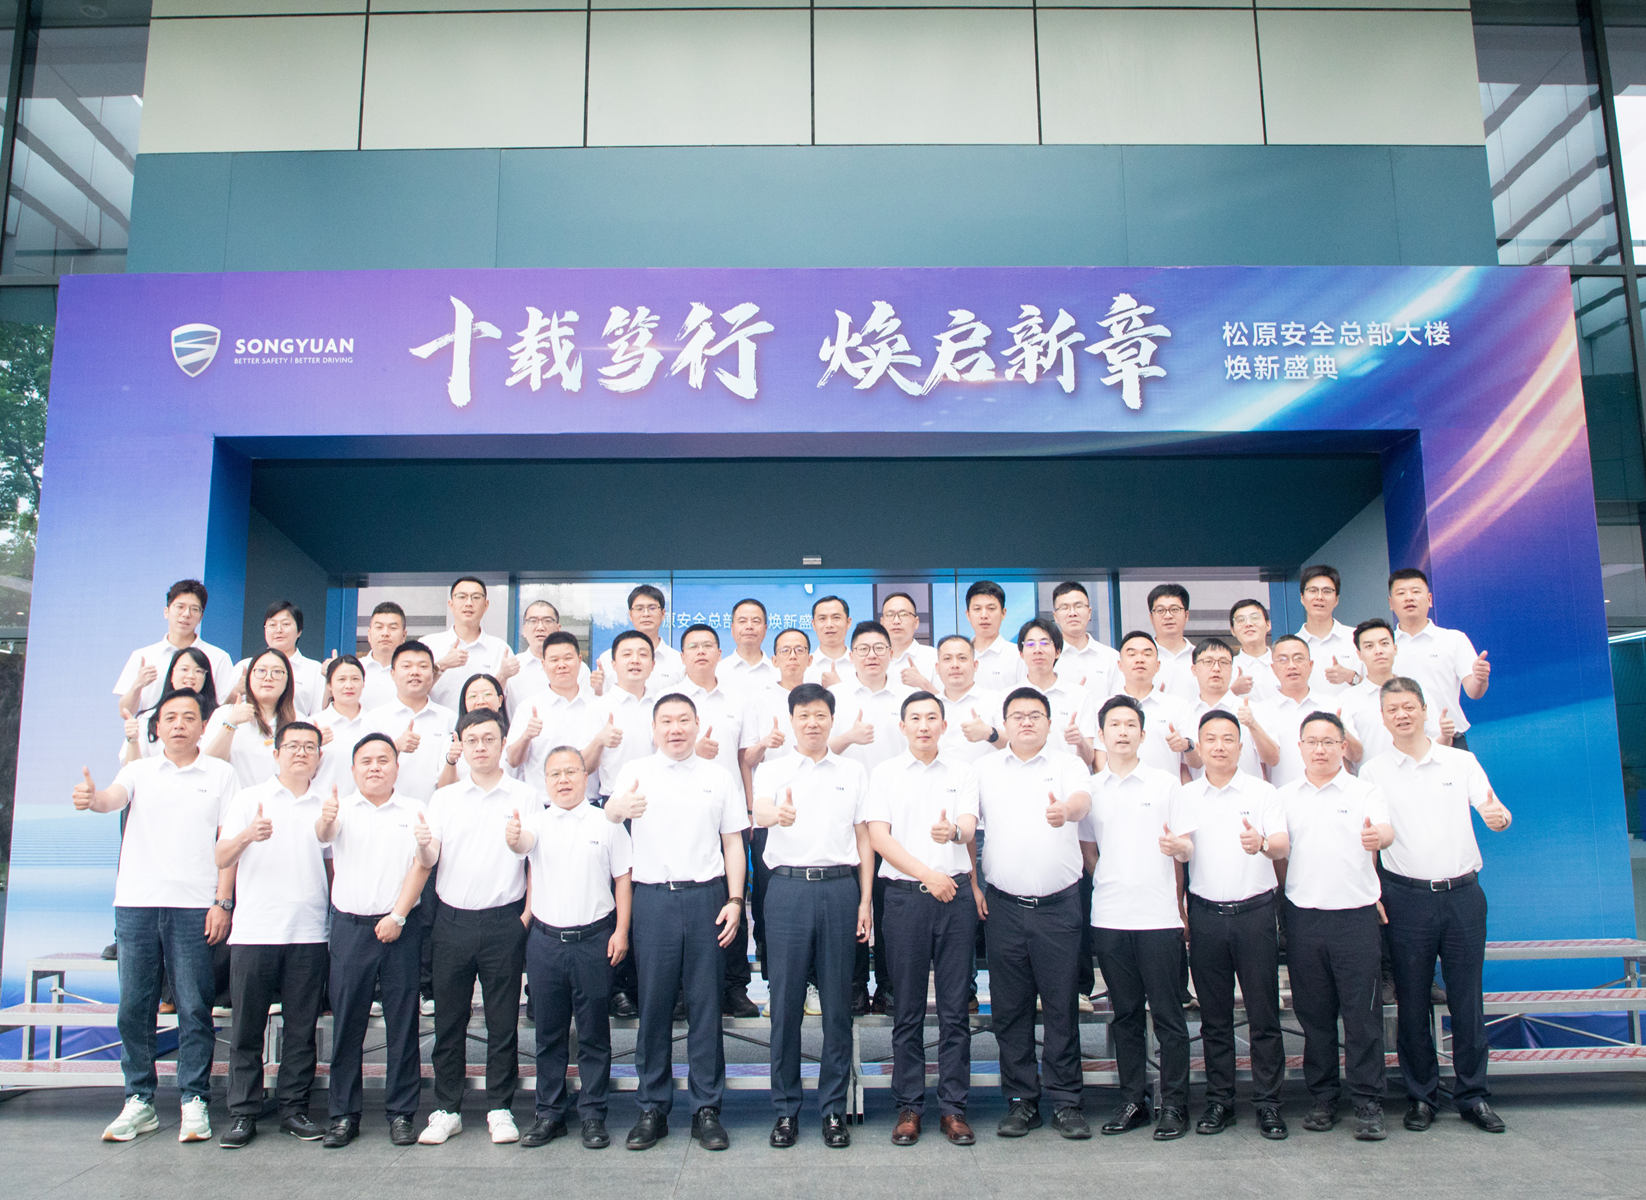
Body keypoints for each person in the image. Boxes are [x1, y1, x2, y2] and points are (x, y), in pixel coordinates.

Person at [73, 688, 236, 1144]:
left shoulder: (221, 774)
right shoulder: (139, 770)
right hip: (137, 904)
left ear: (203, 726)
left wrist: (222, 902)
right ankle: (138, 1099)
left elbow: (228, 843)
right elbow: (111, 798)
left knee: (194, 1006)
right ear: (157, 727)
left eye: (189, 717)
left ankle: (194, 1099)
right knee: (135, 1007)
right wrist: (92, 798)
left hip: (194, 906)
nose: (179, 724)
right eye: (170, 717)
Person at [1359, 677, 1512, 1135]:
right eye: (1392, 709)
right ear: (1383, 718)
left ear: (1424, 709)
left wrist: (1499, 819)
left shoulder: (1460, 762)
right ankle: (1421, 1096)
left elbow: (1494, 809)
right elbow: (1372, 837)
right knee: (1412, 1003)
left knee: (1467, 1000)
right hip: (1405, 898)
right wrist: (1373, 890)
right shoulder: (1373, 772)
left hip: (1463, 895)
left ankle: (1473, 1095)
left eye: (1409, 706)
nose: (1402, 715)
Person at [603, 694, 749, 1153]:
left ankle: (707, 1109)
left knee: (706, 1007)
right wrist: (619, 808)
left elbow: (733, 843)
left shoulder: (717, 776)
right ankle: (652, 1108)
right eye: (666, 721)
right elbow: (610, 818)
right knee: (654, 1006)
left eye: (684, 720)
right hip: (652, 899)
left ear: (697, 724)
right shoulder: (636, 772)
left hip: (707, 898)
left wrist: (736, 899)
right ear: (654, 728)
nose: (675, 728)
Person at [751, 682, 872, 1149]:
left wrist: (865, 900)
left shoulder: (852, 772)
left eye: (820, 715)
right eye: (803, 716)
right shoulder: (772, 770)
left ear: (831, 719)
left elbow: (863, 837)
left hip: (840, 890)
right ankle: (785, 1111)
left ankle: (833, 1110)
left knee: (837, 1007)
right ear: (792, 720)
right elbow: (760, 810)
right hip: (787, 891)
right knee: (785, 1007)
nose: (812, 723)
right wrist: (775, 815)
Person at [974, 686, 1093, 1139]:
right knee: (1010, 1009)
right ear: (1005, 724)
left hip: (1059, 906)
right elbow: (968, 827)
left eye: (1035, 715)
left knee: (1061, 1005)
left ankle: (1066, 1101)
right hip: (1004, 906)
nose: (1026, 722)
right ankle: (1021, 1100)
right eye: (1018, 716)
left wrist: (1066, 810)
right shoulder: (985, 770)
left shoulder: (1067, 764)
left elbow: (1082, 801)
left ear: (1048, 722)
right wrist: (973, 883)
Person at [866, 691, 980, 1148]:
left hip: (955, 898)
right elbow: (879, 838)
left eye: (932, 717)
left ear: (944, 726)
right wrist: (927, 875)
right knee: (907, 1009)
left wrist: (954, 832)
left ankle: (954, 1108)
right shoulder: (885, 773)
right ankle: (909, 1106)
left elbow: (969, 826)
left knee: (955, 1010)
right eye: (915, 718)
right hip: (905, 898)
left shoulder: (962, 771)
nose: (924, 725)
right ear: (903, 726)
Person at [416, 707, 534, 1148]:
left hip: (505, 920)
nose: (480, 747)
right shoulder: (445, 798)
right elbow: (430, 858)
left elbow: (534, 856)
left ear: (502, 743)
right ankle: (447, 1109)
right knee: (450, 1021)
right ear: (460, 746)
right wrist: (422, 848)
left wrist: (525, 916)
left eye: (488, 739)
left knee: (503, 1022)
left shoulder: (523, 795)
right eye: (472, 740)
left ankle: (500, 1108)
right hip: (452, 921)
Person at [508, 746, 633, 1150]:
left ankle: (593, 1114)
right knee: (549, 1034)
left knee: (594, 1033)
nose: (563, 780)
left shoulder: (606, 822)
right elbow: (522, 844)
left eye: (571, 772)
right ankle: (549, 1114)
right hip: (545, 942)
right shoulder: (537, 823)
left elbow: (623, 879)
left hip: (594, 940)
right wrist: (514, 838)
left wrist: (622, 931)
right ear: (545, 781)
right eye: (555, 774)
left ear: (585, 776)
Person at [1276, 711, 1393, 1141]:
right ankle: (1323, 1098)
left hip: (1355, 918)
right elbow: (1279, 853)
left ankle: (1368, 1102)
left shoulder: (1365, 792)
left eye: (1329, 741)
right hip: (1304, 918)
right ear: (1300, 747)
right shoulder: (1284, 797)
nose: (1320, 749)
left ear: (1343, 747)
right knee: (1315, 1016)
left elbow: (1385, 831)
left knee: (1362, 1017)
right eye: (1312, 741)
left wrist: (1378, 838)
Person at [213, 720, 331, 1147]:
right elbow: (221, 855)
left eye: (309, 747)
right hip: (255, 931)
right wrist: (248, 835)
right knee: (247, 1029)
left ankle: (294, 1110)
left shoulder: (328, 804)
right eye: (292, 746)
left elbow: (334, 867)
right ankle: (243, 1113)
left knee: (301, 1030)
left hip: (309, 933)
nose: (301, 752)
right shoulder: (250, 799)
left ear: (319, 756)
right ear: (276, 753)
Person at [1173, 709, 1288, 1139]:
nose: (1219, 746)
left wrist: (1262, 843)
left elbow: (1281, 845)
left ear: (1241, 746)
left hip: (1255, 914)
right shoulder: (1186, 796)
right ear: (1199, 747)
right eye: (1211, 739)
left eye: (1227, 739)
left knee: (1264, 1015)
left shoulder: (1262, 792)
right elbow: (1181, 856)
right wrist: (1180, 905)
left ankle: (1269, 1104)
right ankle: (1219, 1101)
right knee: (1215, 1018)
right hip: (1206, 915)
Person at [1083, 694, 1194, 1141]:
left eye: (1131, 725)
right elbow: (1089, 851)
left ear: (1143, 735)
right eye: (1115, 725)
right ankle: (1133, 1100)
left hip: (1159, 917)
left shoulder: (1165, 785)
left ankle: (1175, 1103)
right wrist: (1113, 878)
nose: (1123, 732)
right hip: (1110, 916)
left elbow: (1185, 847)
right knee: (1125, 1014)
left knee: (1168, 1015)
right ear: (1102, 734)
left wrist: (1179, 851)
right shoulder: (1090, 789)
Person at [314, 732, 431, 1148]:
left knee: (403, 1023)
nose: (375, 767)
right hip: (350, 929)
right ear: (353, 769)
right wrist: (327, 818)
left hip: (401, 927)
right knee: (348, 1024)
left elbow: (423, 865)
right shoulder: (340, 808)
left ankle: (402, 1114)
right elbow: (323, 834)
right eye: (366, 761)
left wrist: (397, 915)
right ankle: (343, 1115)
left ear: (397, 767)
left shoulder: (415, 809)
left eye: (383, 760)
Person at [675, 622, 761, 1016]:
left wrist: (749, 808)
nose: (701, 652)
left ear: (719, 653)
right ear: (682, 656)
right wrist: (694, 750)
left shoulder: (738, 698)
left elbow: (745, 759)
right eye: (693, 646)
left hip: (729, 813)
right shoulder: (670, 700)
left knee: (733, 894)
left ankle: (734, 986)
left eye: (708, 645)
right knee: (686, 901)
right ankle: (681, 988)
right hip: (683, 814)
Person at [829, 620, 912, 1014]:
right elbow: (816, 749)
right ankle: (856, 984)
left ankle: (890, 986)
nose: (872, 655)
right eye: (863, 648)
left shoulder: (909, 697)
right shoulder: (836, 697)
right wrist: (848, 737)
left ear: (891, 653)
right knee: (854, 904)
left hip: (899, 815)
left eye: (879, 648)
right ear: (852, 655)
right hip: (848, 815)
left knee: (892, 905)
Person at [739, 627, 811, 978]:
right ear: (774, 658)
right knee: (769, 895)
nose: (792, 656)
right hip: (770, 812)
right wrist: (764, 743)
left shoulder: (822, 697)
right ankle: (773, 976)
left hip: (813, 812)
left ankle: (812, 979)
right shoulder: (759, 699)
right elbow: (747, 759)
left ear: (809, 658)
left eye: (799, 650)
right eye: (785, 650)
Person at [1389, 568, 1491, 753]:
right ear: (1391, 603)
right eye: (1401, 593)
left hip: (1451, 739)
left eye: (1415, 591)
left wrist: (1480, 678)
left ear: (1429, 599)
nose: (1409, 598)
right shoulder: (1383, 646)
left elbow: (1474, 692)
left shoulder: (1453, 639)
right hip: (1400, 744)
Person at [111, 578, 234, 725]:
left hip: (201, 737)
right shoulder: (143, 656)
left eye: (194, 609)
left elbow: (225, 710)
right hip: (151, 734)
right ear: (166, 611)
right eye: (180, 607)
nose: (186, 614)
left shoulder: (218, 657)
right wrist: (138, 685)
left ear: (201, 617)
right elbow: (126, 712)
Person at [507, 632, 611, 796]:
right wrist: (526, 736)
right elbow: (513, 761)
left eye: (567, 658)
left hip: (588, 804)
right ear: (544, 664)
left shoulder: (598, 706)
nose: (561, 665)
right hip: (543, 804)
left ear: (579, 660)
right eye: (554, 660)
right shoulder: (528, 708)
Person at [363, 640, 458, 802]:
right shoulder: (374, 719)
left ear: (433, 673)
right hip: (387, 808)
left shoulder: (449, 718)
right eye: (406, 666)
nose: (415, 672)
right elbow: (364, 768)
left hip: (434, 809)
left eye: (423, 666)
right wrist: (395, 747)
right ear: (392, 673)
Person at [1343, 619, 1446, 766]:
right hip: (1371, 778)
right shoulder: (1347, 700)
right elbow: (1350, 755)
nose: (1378, 651)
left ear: (1395, 648)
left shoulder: (1418, 691)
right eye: (1369, 646)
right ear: (1359, 654)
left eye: (1384, 643)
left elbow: (1436, 739)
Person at [1098, 631, 1196, 780]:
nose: (1140, 659)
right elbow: (1099, 759)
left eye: (1147, 654)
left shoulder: (1178, 706)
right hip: (1117, 790)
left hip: (1163, 791)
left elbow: (1197, 762)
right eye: (1132, 654)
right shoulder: (1102, 707)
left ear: (1157, 665)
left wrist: (1186, 746)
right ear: (1120, 665)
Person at [205, 647, 301, 787]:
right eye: (261, 671)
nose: (268, 677)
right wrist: (231, 724)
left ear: (288, 680)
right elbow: (208, 765)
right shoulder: (225, 713)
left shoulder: (299, 721)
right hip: (236, 798)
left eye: (277, 672)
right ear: (249, 677)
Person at [425, 576, 519, 709]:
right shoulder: (429, 644)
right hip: (437, 721)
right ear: (450, 604)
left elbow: (507, 701)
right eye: (462, 597)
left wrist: (502, 676)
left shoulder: (500, 649)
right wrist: (442, 665)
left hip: (483, 722)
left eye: (476, 597)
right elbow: (412, 691)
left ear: (486, 605)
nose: (469, 603)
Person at [1242, 634, 1324, 788]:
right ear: (1273, 668)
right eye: (1283, 660)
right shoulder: (1260, 711)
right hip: (1282, 795)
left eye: (1298, 658)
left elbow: (1351, 757)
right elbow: (1264, 763)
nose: (1292, 666)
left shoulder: (1331, 705)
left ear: (1311, 664)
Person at [1018, 618, 1096, 767]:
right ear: (1021, 653)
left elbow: (1088, 760)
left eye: (1045, 643)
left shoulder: (1079, 696)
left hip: (1067, 777)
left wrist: (1080, 742)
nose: (1037, 650)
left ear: (1058, 652)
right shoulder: (1008, 696)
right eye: (1030, 644)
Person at [120, 647, 218, 763]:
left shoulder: (218, 717)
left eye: (198, 671)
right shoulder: (147, 719)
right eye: (184, 669)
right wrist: (132, 740)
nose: (191, 675)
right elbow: (130, 768)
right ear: (172, 674)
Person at [1187, 638, 1267, 780]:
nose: (1216, 668)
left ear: (1232, 669)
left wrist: (1253, 724)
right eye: (1208, 662)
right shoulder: (1185, 713)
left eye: (1223, 662)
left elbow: (1271, 760)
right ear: (1194, 669)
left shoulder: (1253, 709)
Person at [228, 601, 324, 716]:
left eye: (286, 624)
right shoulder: (245, 666)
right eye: (272, 625)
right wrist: (236, 692)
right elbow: (222, 712)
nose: (279, 630)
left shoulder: (314, 670)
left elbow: (319, 715)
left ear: (299, 631)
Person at [594, 584, 684, 692]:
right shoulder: (608, 659)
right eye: (639, 608)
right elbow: (601, 697)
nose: (646, 614)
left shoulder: (678, 661)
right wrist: (597, 690)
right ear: (630, 615)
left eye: (652, 608)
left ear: (663, 613)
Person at [508, 599, 592, 711]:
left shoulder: (579, 669)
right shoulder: (511, 668)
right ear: (524, 630)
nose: (540, 627)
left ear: (558, 628)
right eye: (533, 621)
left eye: (547, 621)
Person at [933, 634, 1003, 765]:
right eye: (947, 659)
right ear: (937, 668)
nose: (955, 665)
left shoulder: (996, 700)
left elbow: (1016, 745)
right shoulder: (930, 705)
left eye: (962, 658)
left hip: (982, 777)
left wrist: (989, 733)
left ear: (975, 665)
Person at [435, 671, 513, 788]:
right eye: (473, 696)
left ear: (500, 700)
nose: (481, 701)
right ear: (464, 703)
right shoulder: (453, 742)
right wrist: (451, 760)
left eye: (487, 694)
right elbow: (444, 789)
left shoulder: (514, 737)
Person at [1296, 565, 1361, 701]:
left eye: (1327, 591)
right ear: (1302, 598)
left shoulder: (1357, 638)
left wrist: (1351, 677)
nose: (1319, 597)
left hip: (1349, 713)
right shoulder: (1292, 645)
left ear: (1336, 599)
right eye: (1313, 590)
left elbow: (1377, 686)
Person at [313, 655, 369, 799]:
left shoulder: (374, 723)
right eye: (341, 679)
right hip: (323, 804)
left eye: (355, 679)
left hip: (365, 806)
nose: (349, 685)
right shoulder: (314, 724)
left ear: (363, 683)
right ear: (329, 685)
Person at [1051, 581, 1119, 698]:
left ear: (1089, 613)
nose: (1072, 613)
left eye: (1078, 606)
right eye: (1064, 608)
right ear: (1055, 617)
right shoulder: (1048, 658)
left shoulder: (1111, 657)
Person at [965, 580, 1024, 693]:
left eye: (991, 608)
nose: (984, 615)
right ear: (968, 615)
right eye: (977, 609)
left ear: (1003, 613)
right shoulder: (959, 656)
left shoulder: (1018, 656)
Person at [1146, 584, 1196, 701]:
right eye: (1160, 610)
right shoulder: (1141, 659)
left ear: (1186, 615)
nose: (1168, 616)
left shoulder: (1200, 658)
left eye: (1174, 609)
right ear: (1151, 617)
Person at [881, 591, 937, 692]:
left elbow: (948, 699)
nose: (896, 621)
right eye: (890, 614)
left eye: (903, 614)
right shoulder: (873, 659)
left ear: (916, 622)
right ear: (882, 622)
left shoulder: (933, 657)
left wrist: (923, 684)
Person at [724, 597, 779, 697]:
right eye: (742, 621)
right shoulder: (719, 671)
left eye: (756, 621)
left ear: (765, 629)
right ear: (732, 628)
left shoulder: (778, 671)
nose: (749, 626)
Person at [1228, 597, 1278, 702]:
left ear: (1268, 625)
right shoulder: (1227, 668)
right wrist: (1233, 691)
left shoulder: (1284, 664)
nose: (1248, 624)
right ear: (1232, 630)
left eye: (1255, 618)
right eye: (1240, 620)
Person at [360, 600, 406, 710]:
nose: (385, 633)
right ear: (369, 634)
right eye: (379, 627)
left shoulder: (412, 672)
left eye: (393, 628)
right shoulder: (355, 669)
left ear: (404, 635)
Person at [802, 595, 852, 686]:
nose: (829, 625)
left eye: (836, 618)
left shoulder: (862, 663)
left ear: (848, 622)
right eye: (822, 619)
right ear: (813, 624)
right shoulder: (804, 666)